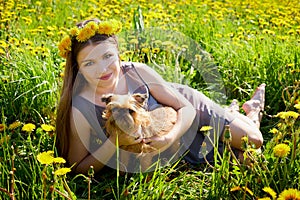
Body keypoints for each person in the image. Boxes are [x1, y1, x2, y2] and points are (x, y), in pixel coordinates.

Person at [55, 18, 265, 174]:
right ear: (78, 68)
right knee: (248, 159)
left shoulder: (137, 72)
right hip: (165, 142)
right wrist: (114, 142)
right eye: (89, 63)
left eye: (107, 56)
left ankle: (251, 110)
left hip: (185, 112)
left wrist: (168, 138)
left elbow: (186, 108)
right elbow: (76, 168)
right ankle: (233, 114)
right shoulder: (80, 108)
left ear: (118, 54)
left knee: (254, 140)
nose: (102, 69)